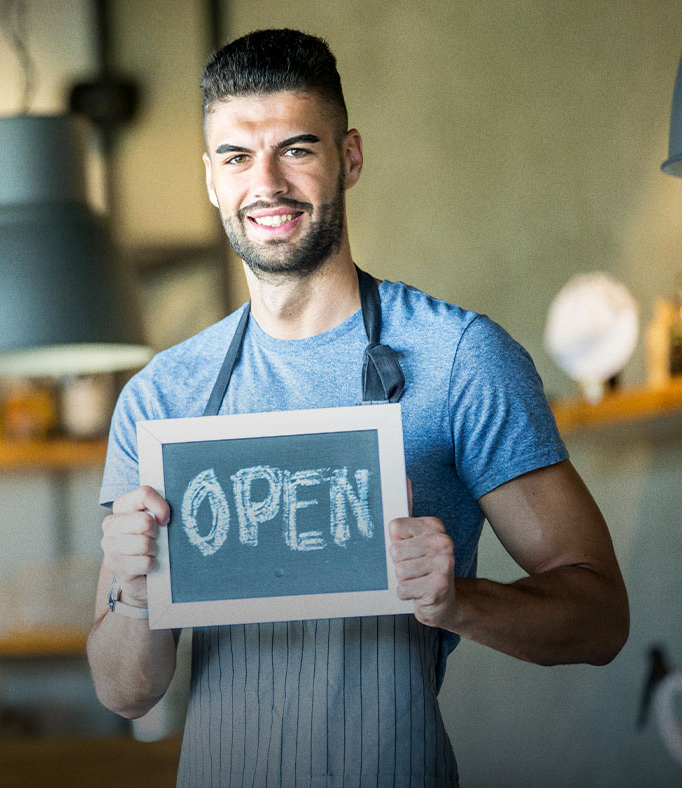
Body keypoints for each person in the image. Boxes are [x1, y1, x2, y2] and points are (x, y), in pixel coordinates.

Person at [87, 28, 629, 788]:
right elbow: (124, 688)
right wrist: (134, 590)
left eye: (298, 149)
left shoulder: (458, 358)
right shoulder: (161, 398)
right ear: (212, 180)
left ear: (350, 157)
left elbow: (601, 618)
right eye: (238, 157)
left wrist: (456, 601)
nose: (266, 183)